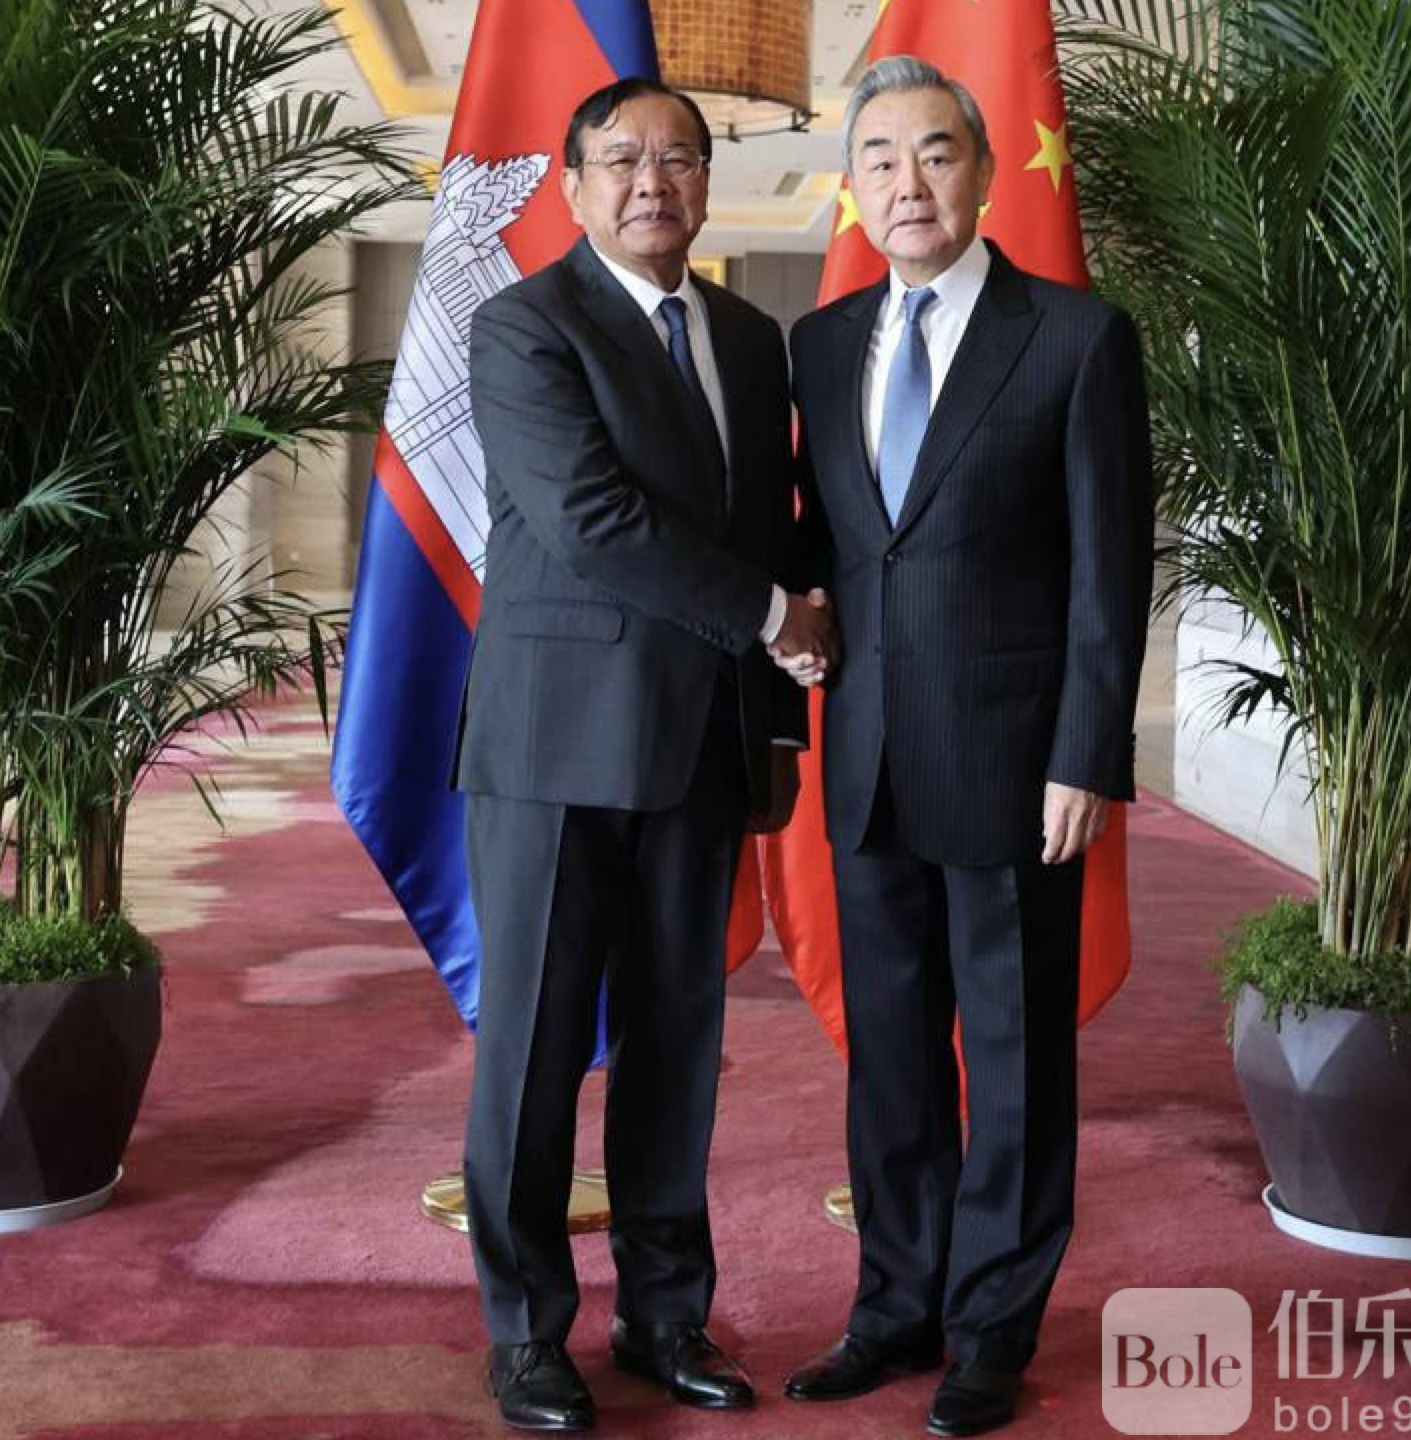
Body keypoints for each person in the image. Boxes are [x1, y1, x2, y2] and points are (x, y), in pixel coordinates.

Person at [456, 77, 839, 1433]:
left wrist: (785, 689)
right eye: (621, 159)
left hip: (702, 747)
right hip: (556, 749)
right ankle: (525, 1332)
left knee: (678, 1044)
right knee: (537, 1048)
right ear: (573, 184)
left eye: (678, 159)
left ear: (706, 185)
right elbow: (589, 519)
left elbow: (770, 520)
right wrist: (772, 617)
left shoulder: (746, 336)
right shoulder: (523, 326)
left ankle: (664, 1315)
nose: (651, 182)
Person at [779, 56, 1153, 1438]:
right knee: (888, 1060)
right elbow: (830, 540)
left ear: (984, 174)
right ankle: (893, 1307)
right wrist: (794, 620)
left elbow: (1110, 572)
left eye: (934, 154)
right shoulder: (821, 344)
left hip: (1014, 765)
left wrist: (1086, 753)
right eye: (879, 159)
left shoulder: (1074, 338)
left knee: (1012, 1061)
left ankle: (992, 1328)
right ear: (853, 186)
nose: (907, 183)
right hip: (868, 757)